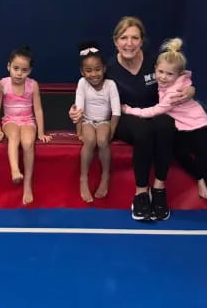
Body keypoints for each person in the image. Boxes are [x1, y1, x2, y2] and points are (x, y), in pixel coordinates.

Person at [70, 16, 194, 221]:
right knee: (143, 132)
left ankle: (160, 189)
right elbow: (90, 90)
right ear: (115, 41)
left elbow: (179, 75)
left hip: (155, 111)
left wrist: (190, 89)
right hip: (125, 116)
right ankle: (141, 193)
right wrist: (75, 111)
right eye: (124, 37)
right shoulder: (108, 68)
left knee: (165, 126)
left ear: (142, 40)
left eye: (135, 37)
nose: (129, 43)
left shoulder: (155, 61)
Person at [122, 38, 207, 199]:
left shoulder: (173, 94)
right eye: (160, 72)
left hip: (198, 125)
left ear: (178, 75)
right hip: (184, 125)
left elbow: (154, 111)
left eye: (169, 74)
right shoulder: (177, 80)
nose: (163, 77)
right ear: (155, 69)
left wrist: (129, 110)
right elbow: (186, 78)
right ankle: (200, 178)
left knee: (200, 153)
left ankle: (201, 179)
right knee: (180, 153)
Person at [0, 46, 52, 205]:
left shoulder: (33, 85)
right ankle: (15, 169)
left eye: (24, 70)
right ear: (8, 67)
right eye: (16, 68)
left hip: (27, 120)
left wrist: (41, 132)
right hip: (10, 120)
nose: (19, 73)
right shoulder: (3, 84)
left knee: (27, 143)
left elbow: (38, 109)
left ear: (30, 70)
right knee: (14, 136)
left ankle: (27, 185)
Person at [73, 43, 120, 203]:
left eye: (98, 69)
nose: (94, 74)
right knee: (90, 141)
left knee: (101, 140)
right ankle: (83, 179)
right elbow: (78, 108)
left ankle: (105, 176)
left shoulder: (110, 85)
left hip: (105, 122)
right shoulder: (82, 83)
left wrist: (111, 133)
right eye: (89, 70)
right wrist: (79, 131)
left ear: (104, 68)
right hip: (87, 121)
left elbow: (116, 112)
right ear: (82, 72)